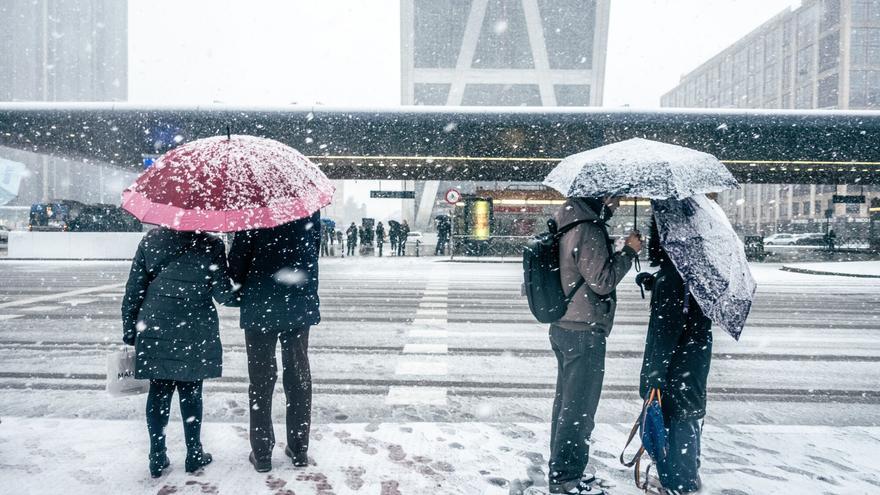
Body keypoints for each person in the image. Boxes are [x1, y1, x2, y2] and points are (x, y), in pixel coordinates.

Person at [121, 228, 235, 478]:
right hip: (194, 326)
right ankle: (194, 453)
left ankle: (157, 455)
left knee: (159, 391)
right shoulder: (211, 245)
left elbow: (134, 289)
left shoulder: (151, 240)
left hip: (155, 323)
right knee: (191, 390)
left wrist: (130, 329)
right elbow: (224, 295)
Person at [548, 197, 641, 495]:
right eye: (614, 197)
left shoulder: (568, 221)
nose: (617, 203)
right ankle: (566, 479)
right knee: (579, 409)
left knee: (566, 405)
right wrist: (629, 251)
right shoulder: (588, 228)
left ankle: (563, 470)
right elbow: (602, 281)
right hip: (583, 330)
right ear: (600, 196)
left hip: (564, 324)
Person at [228, 213, 321, 473]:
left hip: (260, 304)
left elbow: (237, 261)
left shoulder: (252, 208)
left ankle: (262, 451)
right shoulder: (307, 206)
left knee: (261, 378)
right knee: (298, 375)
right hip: (298, 303)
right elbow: (313, 249)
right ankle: (299, 448)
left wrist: (239, 289)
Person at [638, 217, 712, 495]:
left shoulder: (673, 276)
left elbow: (665, 332)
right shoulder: (694, 268)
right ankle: (686, 476)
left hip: (675, 364)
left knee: (677, 420)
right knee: (687, 418)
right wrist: (654, 282)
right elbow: (686, 311)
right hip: (692, 361)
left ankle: (679, 483)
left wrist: (654, 375)